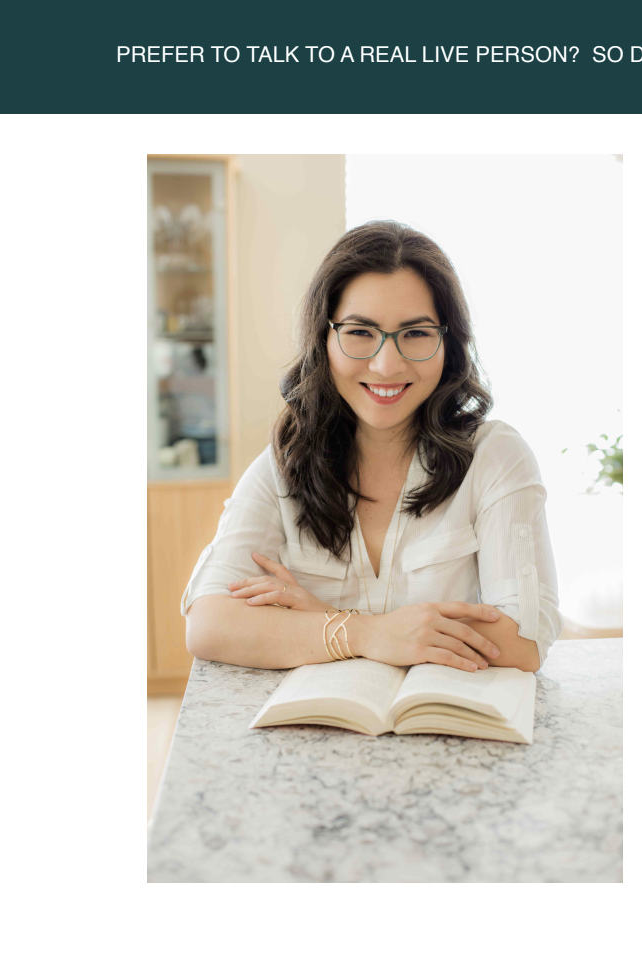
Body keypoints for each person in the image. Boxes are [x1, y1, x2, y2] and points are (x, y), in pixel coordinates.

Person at [182, 220, 559, 673]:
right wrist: (369, 633)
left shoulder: (495, 457)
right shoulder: (286, 464)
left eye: (416, 333)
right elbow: (209, 624)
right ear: (325, 339)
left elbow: (522, 643)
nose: (386, 364)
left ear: (448, 344)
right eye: (360, 332)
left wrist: (318, 622)